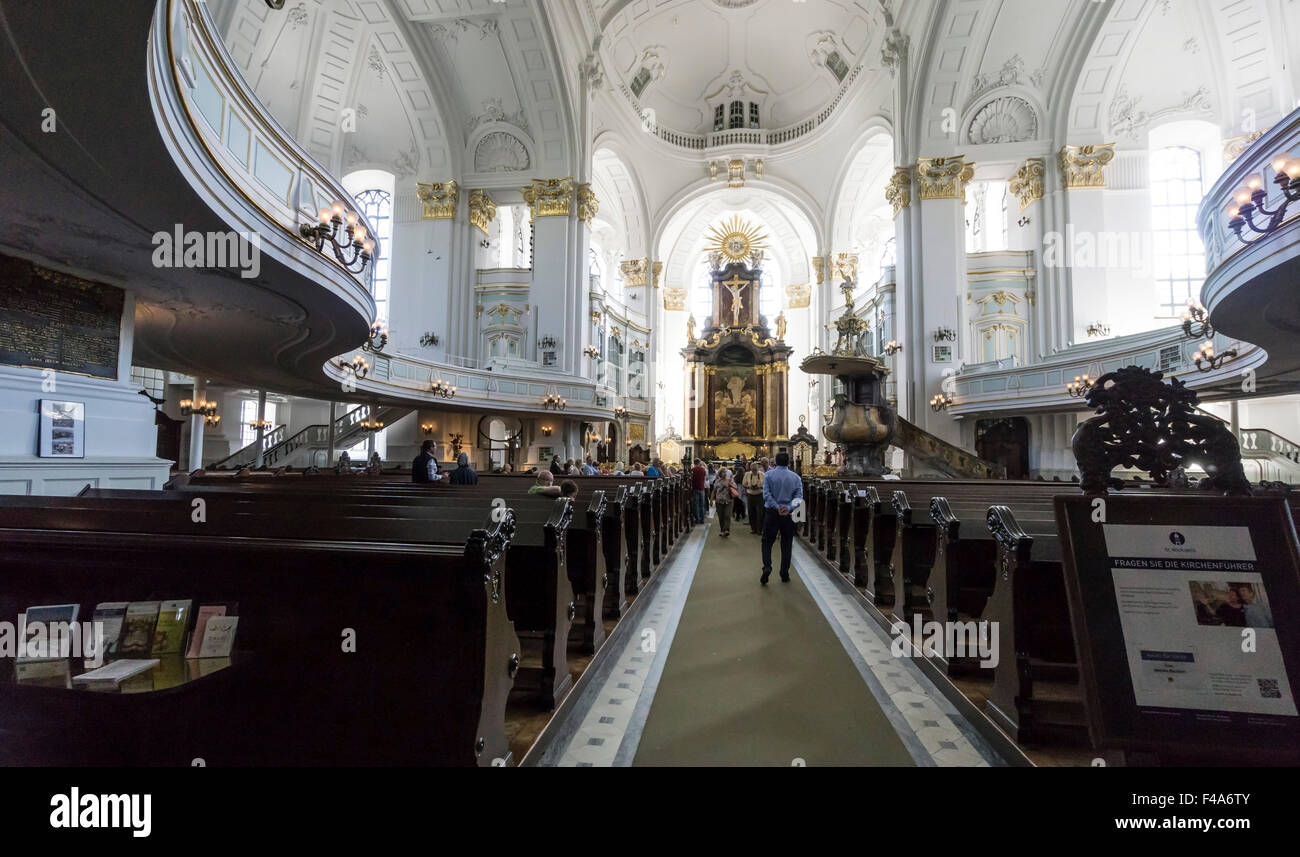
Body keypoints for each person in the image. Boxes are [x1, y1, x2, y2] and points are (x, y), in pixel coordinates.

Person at [760, 452, 803, 585]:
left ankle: (767, 566)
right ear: (789, 463)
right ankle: (784, 573)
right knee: (787, 543)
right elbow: (799, 498)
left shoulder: (768, 475)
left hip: (772, 513)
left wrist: (777, 506)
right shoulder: (795, 477)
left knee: (767, 542)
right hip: (788, 516)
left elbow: (766, 494)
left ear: (775, 462)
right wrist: (788, 507)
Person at [712, 467, 736, 537]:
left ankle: (726, 530)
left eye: (726, 472)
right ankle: (722, 530)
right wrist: (711, 500)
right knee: (721, 516)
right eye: (723, 472)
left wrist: (730, 485)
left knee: (727, 515)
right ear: (720, 474)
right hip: (719, 501)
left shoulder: (730, 480)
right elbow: (714, 491)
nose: (725, 473)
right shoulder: (717, 481)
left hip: (729, 501)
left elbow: (735, 487)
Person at [743, 462, 765, 534]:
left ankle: (759, 529)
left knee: (760, 513)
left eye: (755, 470)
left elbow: (765, 485)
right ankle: (753, 528)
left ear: (758, 468)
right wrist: (749, 487)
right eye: (752, 470)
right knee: (751, 512)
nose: (754, 471)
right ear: (750, 469)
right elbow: (744, 484)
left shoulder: (762, 474)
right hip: (750, 495)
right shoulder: (747, 474)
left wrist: (760, 487)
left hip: (759, 495)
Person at [690, 458, 708, 524]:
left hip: (695, 488)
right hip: (702, 488)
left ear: (694, 463)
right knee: (702, 504)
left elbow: (691, 479)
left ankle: (697, 519)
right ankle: (702, 519)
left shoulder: (693, 470)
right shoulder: (703, 469)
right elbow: (705, 478)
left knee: (696, 505)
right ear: (699, 462)